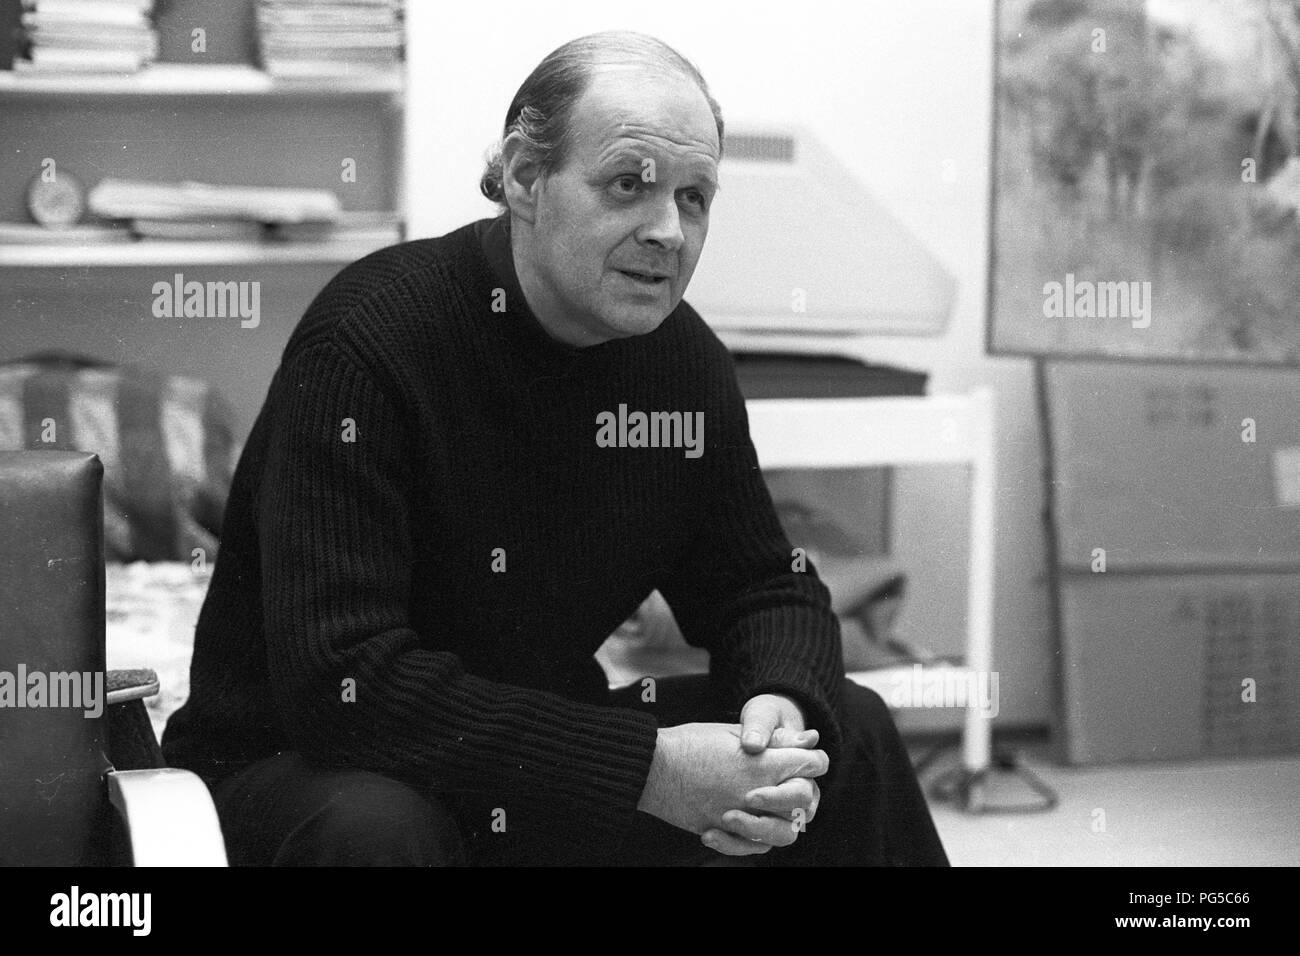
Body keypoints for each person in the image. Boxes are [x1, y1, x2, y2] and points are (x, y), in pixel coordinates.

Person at [162, 30, 949, 867]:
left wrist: (779, 710)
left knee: (846, 730)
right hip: (304, 768)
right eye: (627, 185)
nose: (667, 232)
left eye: (694, 198)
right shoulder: (369, 344)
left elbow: (763, 586)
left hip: (525, 761)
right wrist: (644, 768)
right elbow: (345, 687)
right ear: (526, 178)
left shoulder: (681, 363)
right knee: (381, 828)